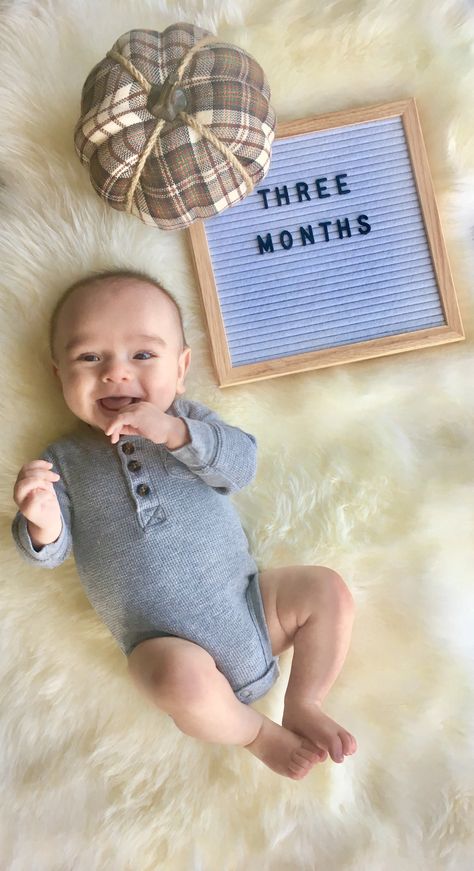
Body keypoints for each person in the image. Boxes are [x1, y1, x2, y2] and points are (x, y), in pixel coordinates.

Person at [11, 268, 357, 780]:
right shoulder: (64, 458)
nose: (115, 373)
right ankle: (255, 733)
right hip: (165, 644)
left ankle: (305, 699)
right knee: (172, 681)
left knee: (325, 589)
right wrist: (40, 519)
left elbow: (241, 465)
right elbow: (50, 551)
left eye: (143, 356)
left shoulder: (190, 421)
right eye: (89, 358)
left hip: (254, 605)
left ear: (181, 368)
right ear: (58, 373)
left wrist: (174, 431)